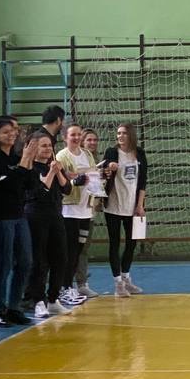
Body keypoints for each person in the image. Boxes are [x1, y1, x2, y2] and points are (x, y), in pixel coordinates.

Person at [0, 117, 39, 327]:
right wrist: (24, 163)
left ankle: (14, 307)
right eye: (5, 132)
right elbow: (10, 183)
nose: (11, 134)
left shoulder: (17, 156)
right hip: (0, 216)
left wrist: (28, 162)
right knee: (4, 264)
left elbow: (30, 184)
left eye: (13, 131)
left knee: (25, 261)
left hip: (18, 215)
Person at [24, 135, 72, 317]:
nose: (47, 149)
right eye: (43, 146)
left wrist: (58, 171)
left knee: (61, 258)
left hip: (55, 215)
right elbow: (39, 192)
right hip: (35, 217)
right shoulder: (30, 169)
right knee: (39, 260)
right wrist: (51, 173)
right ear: (34, 148)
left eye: (49, 146)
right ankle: (38, 300)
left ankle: (53, 299)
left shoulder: (55, 165)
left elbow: (67, 189)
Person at [102, 122, 147, 297]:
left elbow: (142, 181)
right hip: (113, 205)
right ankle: (118, 284)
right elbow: (103, 170)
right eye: (118, 133)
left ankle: (126, 277)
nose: (120, 136)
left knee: (131, 243)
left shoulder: (139, 153)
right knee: (114, 243)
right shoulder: (111, 152)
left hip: (132, 205)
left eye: (124, 133)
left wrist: (140, 205)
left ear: (131, 135)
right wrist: (109, 167)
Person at [58, 124, 98, 303]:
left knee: (79, 250)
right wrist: (75, 178)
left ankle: (69, 286)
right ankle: (64, 287)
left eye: (78, 135)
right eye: (72, 135)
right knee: (70, 251)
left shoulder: (87, 154)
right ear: (65, 138)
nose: (76, 138)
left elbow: (94, 176)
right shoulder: (62, 156)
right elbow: (62, 180)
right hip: (70, 211)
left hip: (86, 210)